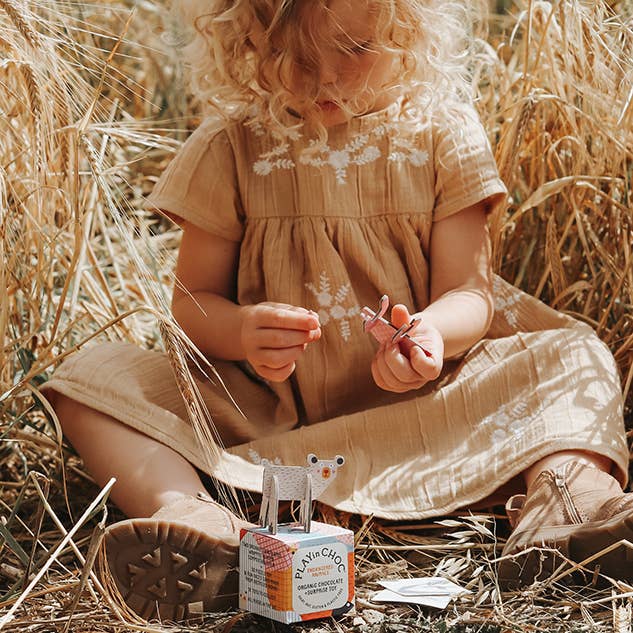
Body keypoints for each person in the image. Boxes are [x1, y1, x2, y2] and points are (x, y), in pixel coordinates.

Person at [43, 0, 633, 622]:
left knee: (569, 356)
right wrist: (241, 332)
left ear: (408, 36)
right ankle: (198, 523)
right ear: (246, 44)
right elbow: (190, 306)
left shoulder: (442, 134)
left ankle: (567, 509)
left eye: (355, 51)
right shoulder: (231, 147)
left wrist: (431, 334)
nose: (326, 80)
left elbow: (470, 294)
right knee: (92, 378)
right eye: (297, 58)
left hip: (431, 411)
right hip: (269, 422)